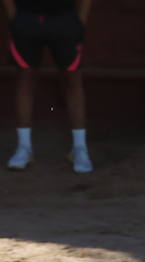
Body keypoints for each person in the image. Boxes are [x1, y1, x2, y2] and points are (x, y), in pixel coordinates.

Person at [5, 0, 92, 173]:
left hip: (64, 17)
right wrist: (14, 17)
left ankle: (80, 148)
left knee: (72, 80)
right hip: (27, 16)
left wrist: (80, 21)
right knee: (24, 78)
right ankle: (24, 147)